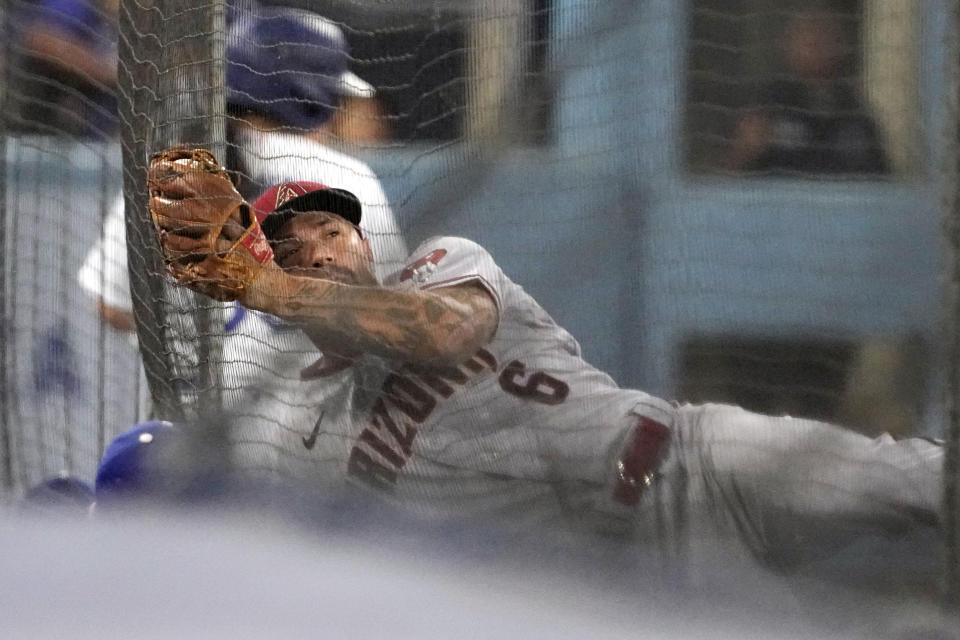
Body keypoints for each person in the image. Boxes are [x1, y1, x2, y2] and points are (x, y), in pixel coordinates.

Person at [148, 167, 943, 569]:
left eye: (332, 230)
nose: (323, 250)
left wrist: (272, 286)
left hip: (698, 462)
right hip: (617, 582)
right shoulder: (293, 430)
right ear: (264, 266)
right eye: (293, 247)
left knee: (919, 481)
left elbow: (435, 333)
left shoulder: (441, 263)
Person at [77, 6, 407, 448]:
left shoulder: (175, 162)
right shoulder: (347, 178)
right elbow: (388, 312)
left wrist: (198, 325)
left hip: (182, 453)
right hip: (304, 453)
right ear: (312, 99)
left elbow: (112, 304)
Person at [724, 10, 889, 176]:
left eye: (827, 43)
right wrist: (745, 150)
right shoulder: (769, 104)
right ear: (789, 48)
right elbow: (729, 176)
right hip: (779, 199)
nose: (819, 52)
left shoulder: (853, 109)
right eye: (810, 44)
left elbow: (881, 177)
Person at [11, 0, 119, 138]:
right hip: (58, 137)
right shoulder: (72, 4)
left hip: (106, 140)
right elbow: (42, 39)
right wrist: (106, 71)